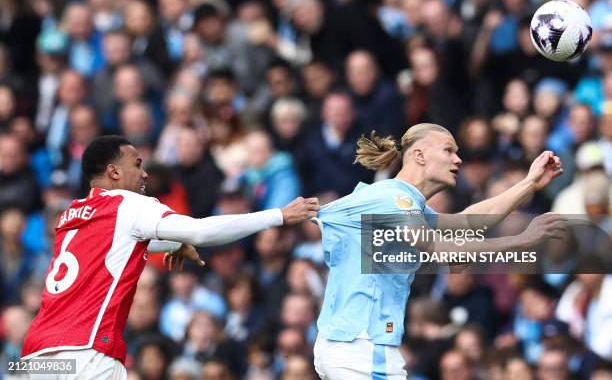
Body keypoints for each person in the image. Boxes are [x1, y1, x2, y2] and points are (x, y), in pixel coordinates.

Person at [20, 135, 319, 379]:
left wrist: (169, 245)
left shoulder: (71, 215)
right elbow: (200, 231)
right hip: (87, 350)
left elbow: (112, 250)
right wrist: (279, 215)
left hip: (37, 355)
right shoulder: (127, 205)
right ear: (114, 172)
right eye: (137, 164)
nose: (145, 173)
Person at [313, 123, 566, 379]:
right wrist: (522, 241)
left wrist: (530, 184)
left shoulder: (401, 203)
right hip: (362, 346)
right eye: (448, 150)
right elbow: (442, 249)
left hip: (347, 344)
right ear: (419, 155)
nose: (458, 159)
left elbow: (468, 222)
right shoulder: (392, 199)